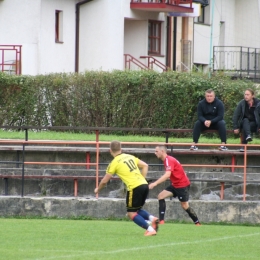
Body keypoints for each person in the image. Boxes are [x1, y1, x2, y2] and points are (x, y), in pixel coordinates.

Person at [94, 140, 159, 236]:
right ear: (121, 149)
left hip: (134, 187)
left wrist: (97, 190)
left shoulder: (114, 163)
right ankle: (152, 219)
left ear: (110, 151)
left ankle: (150, 229)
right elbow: (145, 165)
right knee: (137, 210)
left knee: (131, 213)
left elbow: (104, 181)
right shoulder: (129, 156)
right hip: (144, 185)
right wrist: (142, 179)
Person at [149, 145, 201, 225]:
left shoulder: (168, 160)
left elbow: (167, 175)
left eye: (156, 151)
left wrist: (155, 183)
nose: (155, 153)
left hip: (182, 185)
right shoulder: (167, 160)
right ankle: (161, 221)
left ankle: (197, 223)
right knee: (160, 196)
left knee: (185, 206)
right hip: (175, 184)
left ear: (162, 151)